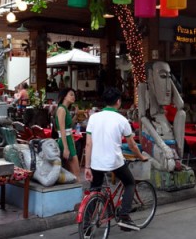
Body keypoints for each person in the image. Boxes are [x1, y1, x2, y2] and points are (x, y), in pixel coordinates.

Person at [84, 87, 147, 231]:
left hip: (96, 162)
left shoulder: (94, 117)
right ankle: (124, 216)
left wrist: (87, 167)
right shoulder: (122, 120)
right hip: (114, 162)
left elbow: (88, 144)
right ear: (118, 102)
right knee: (130, 183)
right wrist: (141, 156)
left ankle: (87, 226)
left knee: (94, 191)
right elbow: (131, 145)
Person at [54, 87, 80, 181]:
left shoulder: (65, 109)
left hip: (68, 140)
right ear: (64, 96)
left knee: (71, 173)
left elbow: (69, 126)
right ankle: (78, 194)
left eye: (74, 95)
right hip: (66, 141)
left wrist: (76, 115)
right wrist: (65, 148)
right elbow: (62, 129)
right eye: (71, 95)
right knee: (76, 173)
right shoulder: (62, 109)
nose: (73, 97)